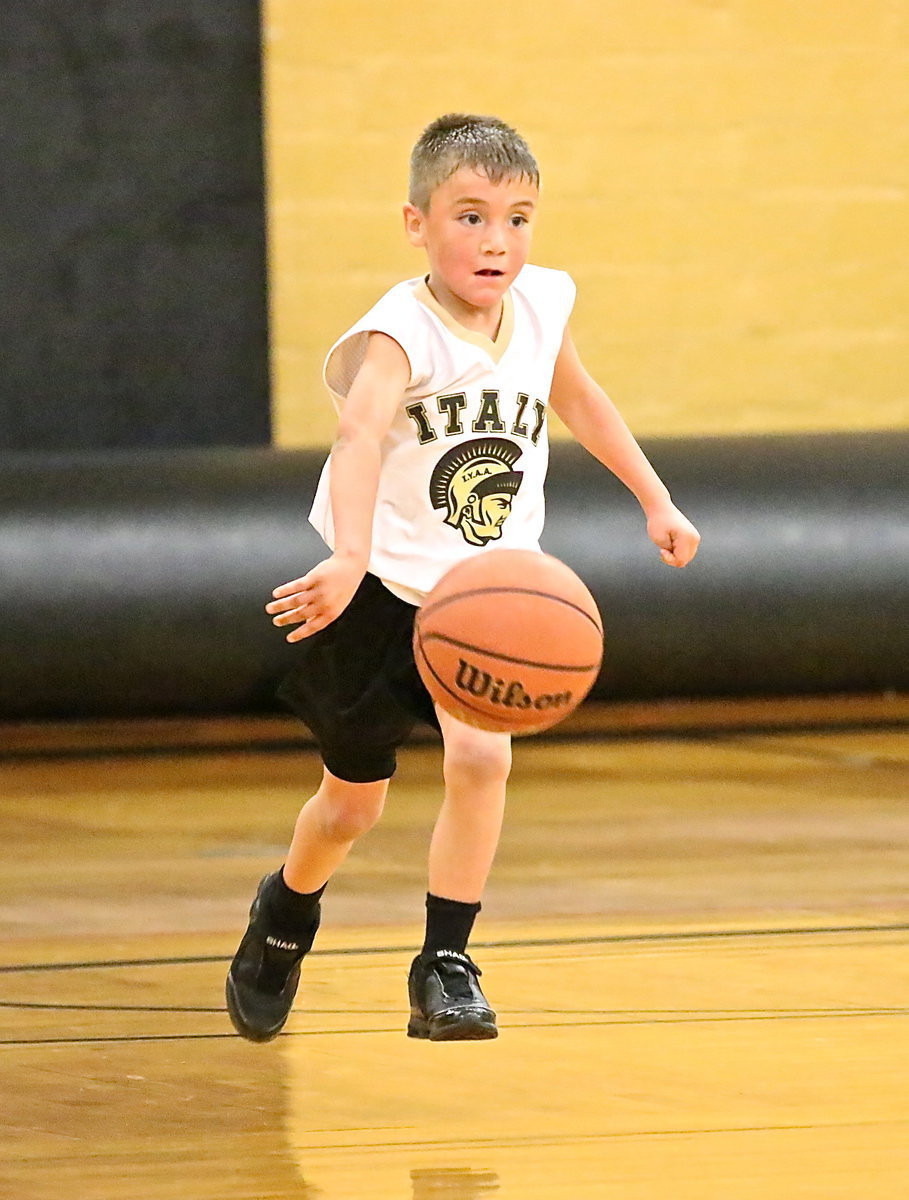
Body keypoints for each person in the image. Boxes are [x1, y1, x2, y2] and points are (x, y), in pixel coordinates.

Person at [226, 113, 700, 1043]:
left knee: (483, 758)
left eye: (518, 219)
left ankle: (446, 960)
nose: (497, 241)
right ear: (416, 223)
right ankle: (285, 911)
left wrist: (656, 498)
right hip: (379, 591)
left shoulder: (544, 303)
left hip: (485, 594)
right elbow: (358, 436)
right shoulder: (397, 329)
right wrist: (349, 556)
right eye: (470, 216)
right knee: (350, 805)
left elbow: (579, 398)